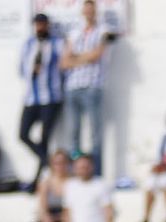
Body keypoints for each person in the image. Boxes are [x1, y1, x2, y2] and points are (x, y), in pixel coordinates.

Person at [18, 13, 65, 188]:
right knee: (23, 134)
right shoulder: (28, 44)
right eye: (37, 24)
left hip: (51, 97)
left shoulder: (57, 44)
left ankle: (37, 179)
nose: (40, 27)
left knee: (44, 138)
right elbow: (21, 69)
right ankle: (47, 162)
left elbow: (63, 67)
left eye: (43, 24)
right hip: (31, 98)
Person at [59, 0, 108, 165]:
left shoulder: (102, 31)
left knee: (95, 132)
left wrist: (76, 58)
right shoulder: (75, 33)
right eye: (86, 9)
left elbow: (97, 55)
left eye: (91, 10)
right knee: (74, 132)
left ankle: (96, 171)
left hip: (92, 86)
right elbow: (64, 62)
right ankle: (76, 168)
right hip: (73, 86)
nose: (88, 13)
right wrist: (85, 58)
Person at [25, 149, 71, 222]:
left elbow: (72, 208)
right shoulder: (46, 182)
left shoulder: (72, 182)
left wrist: (61, 218)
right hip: (51, 215)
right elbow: (42, 205)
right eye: (57, 163)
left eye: (62, 163)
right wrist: (46, 217)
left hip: (66, 217)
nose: (60, 166)